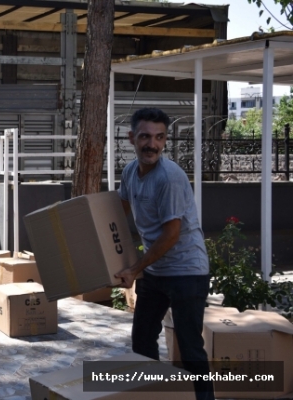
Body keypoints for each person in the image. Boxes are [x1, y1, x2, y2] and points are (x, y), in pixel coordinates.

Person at [114, 108, 214, 400]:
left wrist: (134, 268)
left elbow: (170, 235)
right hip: (156, 271)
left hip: (187, 272)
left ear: (165, 140)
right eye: (145, 136)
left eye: (159, 138)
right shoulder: (131, 172)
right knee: (142, 339)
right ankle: (154, 394)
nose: (152, 145)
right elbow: (117, 216)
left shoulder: (169, 178)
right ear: (131, 138)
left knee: (189, 346)